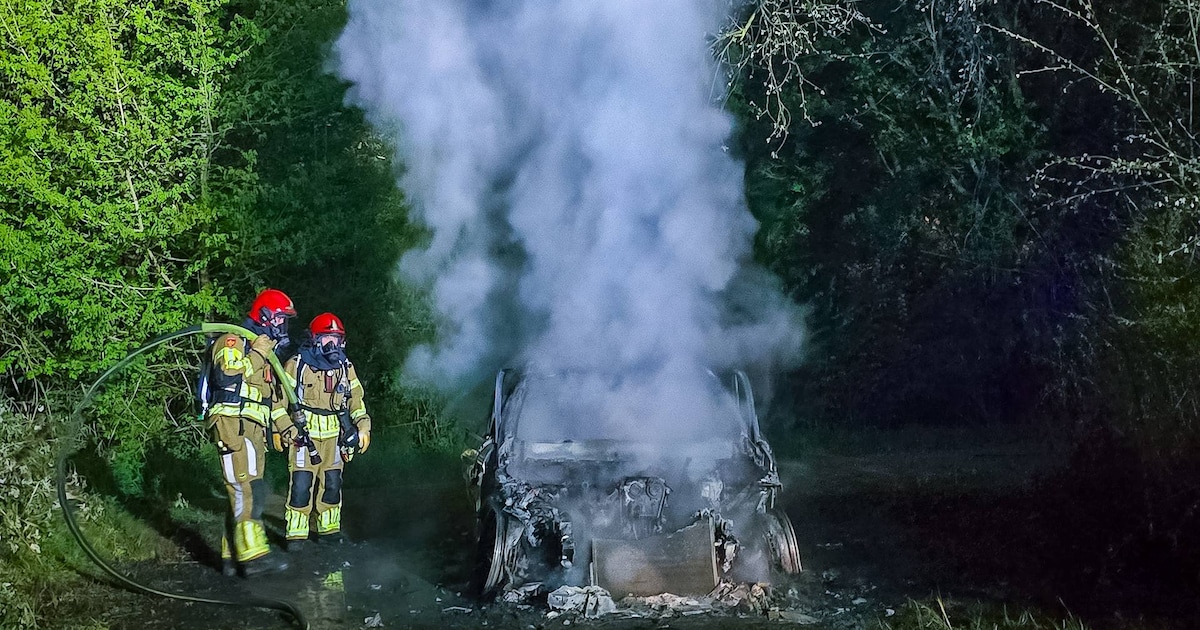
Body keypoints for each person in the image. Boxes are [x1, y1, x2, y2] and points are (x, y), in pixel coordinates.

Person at [208, 288, 296, 577]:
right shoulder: (233, 340)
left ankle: (231, 557)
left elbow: (271, 402)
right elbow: (227, 375)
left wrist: (289, 430)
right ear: (266, 317)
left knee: (246, 492)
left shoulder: (265, 356)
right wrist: (258, 352)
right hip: (232, 425)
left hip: (253, 431)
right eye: (281, 320)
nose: (284, 328)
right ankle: (253, 558)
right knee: (246, 491)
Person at [278, 312, 372, 549]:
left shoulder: (344, 366)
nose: (333, 345)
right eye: (327, 339)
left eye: (336, 339)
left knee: (332, 484)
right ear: (314, 339)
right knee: (301, 484)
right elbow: (278, 401)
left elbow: (356, 399)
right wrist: (282, 429)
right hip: (303, 434)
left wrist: (363, 427)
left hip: (334, 435)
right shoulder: (297, 364)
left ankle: (329, 530)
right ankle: (296, 535)